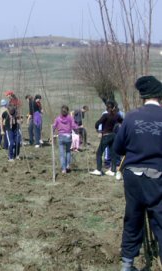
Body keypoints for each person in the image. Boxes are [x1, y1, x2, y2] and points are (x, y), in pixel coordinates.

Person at [113, 75, 162, 271]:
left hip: (132, 176)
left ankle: (127, 264)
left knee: (132, 217)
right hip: (157, 177)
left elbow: (117, 148)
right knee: (160, 220)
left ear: (142, 96)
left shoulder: (131, 117)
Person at [90, 100, 123, 178]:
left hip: (106, 135)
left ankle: (98, 170)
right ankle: (113, 170)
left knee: (99, 153)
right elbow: (122, 121)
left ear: (107, 107)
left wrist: (98, 130)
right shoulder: (117, 115)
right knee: (113, 154)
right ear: (114, 107)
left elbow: (97, 123)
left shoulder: (105, 115)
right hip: (113, 136)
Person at [52, 105, 78, 174]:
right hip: (68, 137)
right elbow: (74, 126)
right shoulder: (70, 118)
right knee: (68, 151)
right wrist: (78, 127)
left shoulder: (57, 118)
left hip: (61, 137)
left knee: (61, 154)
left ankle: (63, 169)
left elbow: (54, 126)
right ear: (68, 111)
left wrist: (51, 133)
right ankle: (67, 165)